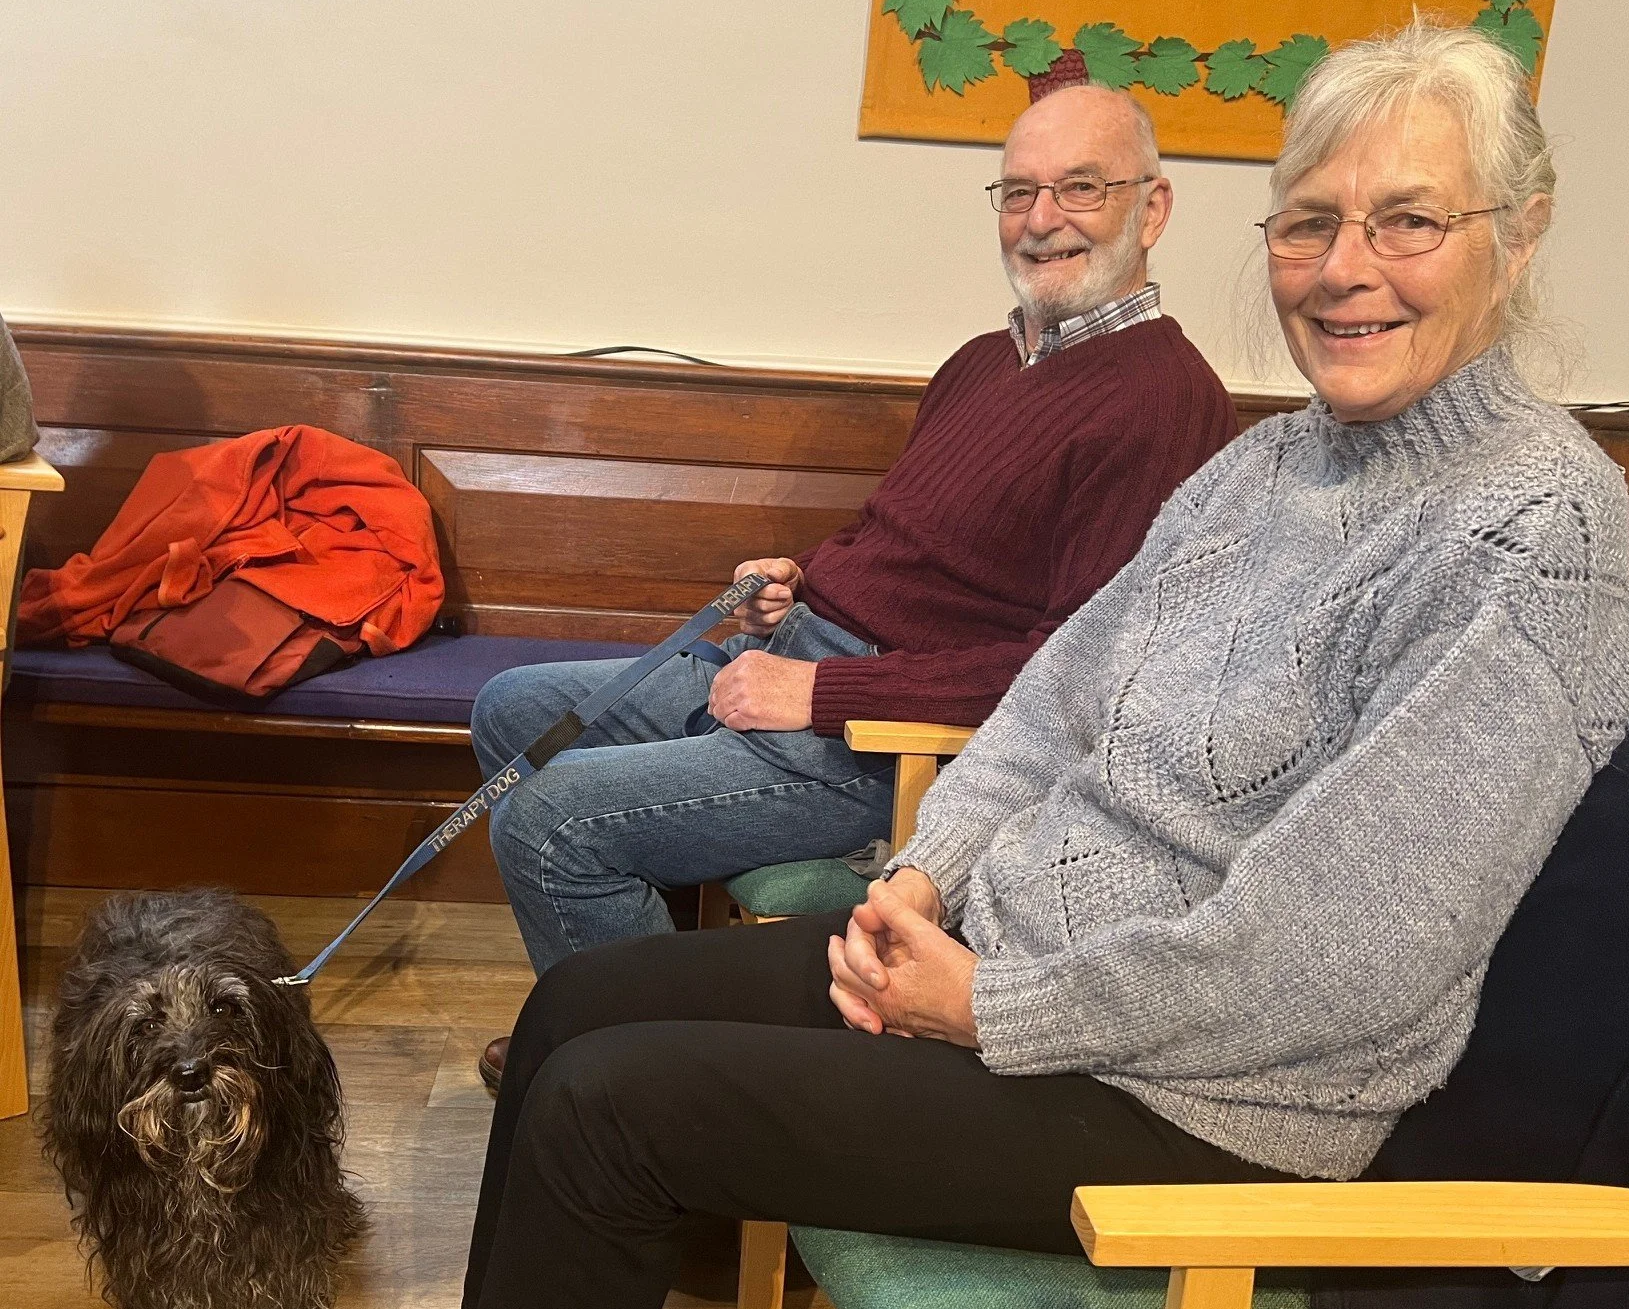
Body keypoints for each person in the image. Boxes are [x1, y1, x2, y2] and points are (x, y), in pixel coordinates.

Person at [450, 19, 1629, 1309]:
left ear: (1519, 234)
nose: (1342, 271)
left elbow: (1333, 963)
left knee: (613, 1111)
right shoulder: (1268, 463)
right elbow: (1048, 700)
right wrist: (920, 876)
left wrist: (990, 1006)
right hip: (1010, 967)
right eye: (1306, 223)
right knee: (576, 1015)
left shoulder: (1529, 530)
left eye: (1408, 222)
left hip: (1201, 1099)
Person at [467, 83, 1237, 1086]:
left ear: (1153, 207)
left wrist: (824, 692)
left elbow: (1078, 682)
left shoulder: (1163, 401)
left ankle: (629, 1089)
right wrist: (805, 586)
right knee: (512, 709)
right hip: (788, 667)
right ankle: (599, 1018)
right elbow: (907, 548)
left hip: (873, 748)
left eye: (1079, 188)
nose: (1041, 220)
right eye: (1016, 192)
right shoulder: (982, 361)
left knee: (546, 819)